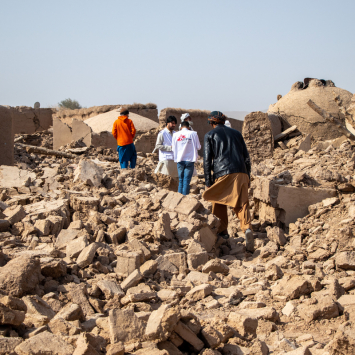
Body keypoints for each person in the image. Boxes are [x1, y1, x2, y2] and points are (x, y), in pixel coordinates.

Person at [202, 111, 254, 251]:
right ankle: (247, 228)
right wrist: (247, 175)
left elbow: (207, 161)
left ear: (212, 123)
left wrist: (208, 182)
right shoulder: (237, 134)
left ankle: (223, 232)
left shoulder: (210, 135)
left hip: (222, 172)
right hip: (241, 171)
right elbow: (246, 157)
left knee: (218, 201)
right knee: (242, 202)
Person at [172, 121, 201, 195]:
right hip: (189, 160)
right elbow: (199, 147)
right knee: (186, 181)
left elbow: (173, 148)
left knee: (181, 180)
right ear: (188, 127)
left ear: (181, 127)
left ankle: (179, 197)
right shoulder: (193, 134)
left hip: (179, 160)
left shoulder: (175, 134)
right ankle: (184, 197)